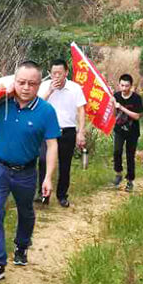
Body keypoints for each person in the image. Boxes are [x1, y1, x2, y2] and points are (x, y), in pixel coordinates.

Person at [0, 61, 60, 281]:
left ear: (39, 85)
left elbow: (52, 145)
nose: (26, 87)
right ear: (14, 81)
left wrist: (47, 178)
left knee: (26, 211)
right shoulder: (2, 104)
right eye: (21, 82)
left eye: (32, 84)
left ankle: (22, 245)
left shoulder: (46, 111)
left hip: (26, 172)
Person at [36, 58, 87, 207]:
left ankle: (62, 195)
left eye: (60, 73)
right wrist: (50, 91)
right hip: (47, 131)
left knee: (65, 164)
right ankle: (43, 194)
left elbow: (81, 110)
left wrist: (81, 131)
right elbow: (36, 105)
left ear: (66, 72)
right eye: (54, 73)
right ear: (49, 73)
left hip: (68, 130)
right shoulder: (44, 86)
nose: (56, 76)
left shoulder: (75, 88)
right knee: (43, 160)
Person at [112, 73, 143, 192]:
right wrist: (112, 105)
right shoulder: (116, 96)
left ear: (131, 86)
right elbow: (114, 115)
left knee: (130, 156)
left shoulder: (136, 98)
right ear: (119, 85)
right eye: (122, 85)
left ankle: (130, 180)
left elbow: (137, 116)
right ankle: (118, 173)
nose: (124, 88)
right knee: (117, 151)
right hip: (119, 129)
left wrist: (122, 107)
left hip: (132, 131)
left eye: (126, 86)